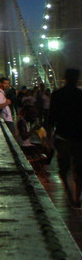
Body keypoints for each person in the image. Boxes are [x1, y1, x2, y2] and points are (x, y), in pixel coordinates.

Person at [49, 68, 82, 208]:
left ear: (64, 77)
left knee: (64, 169)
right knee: (79, 169)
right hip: (79, 137)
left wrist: (48, 136)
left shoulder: (57, 94)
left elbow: (51, 117)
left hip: (62, 137)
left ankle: (69, 194)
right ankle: (77, 196)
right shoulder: (80, 95)